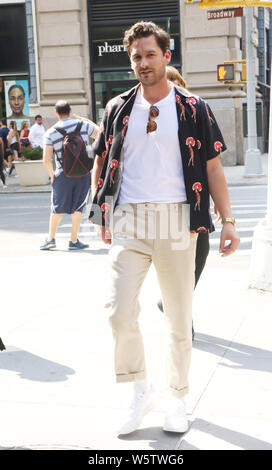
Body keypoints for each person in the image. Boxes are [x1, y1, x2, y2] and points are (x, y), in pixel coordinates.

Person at [90, 21, 240, 435]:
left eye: (149, 54)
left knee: (178, 318)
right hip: (128, 219)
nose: (142, 62)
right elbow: (103, 161)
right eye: (136, 56)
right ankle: (140, 389)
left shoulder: (194, 109)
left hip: (178, 217)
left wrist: (227, 222)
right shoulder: (117, 107)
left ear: (166, 56)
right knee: (118, 311)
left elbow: (212, 168)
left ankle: (177, 397)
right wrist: (102, 210)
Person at [156, 66, 211, 341]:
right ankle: (182, 317)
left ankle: (171, 303)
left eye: (178, 84)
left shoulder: (197, 114)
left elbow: (212, 165)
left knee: (201, 256)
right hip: (169, 207)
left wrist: (226, 216)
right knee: (179, 267)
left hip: (198, 205)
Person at [41, 100, 99, 251]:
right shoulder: (83, 126)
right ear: (70, 110)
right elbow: (101, 135)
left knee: (57, 208)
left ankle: (51, 239)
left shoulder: (51, 132)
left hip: (62, 174)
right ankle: (73, 241)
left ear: (56, 113)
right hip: (83, 173)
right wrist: (86, 121)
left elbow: (46, 159)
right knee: (78, 208)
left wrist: (52, 175)